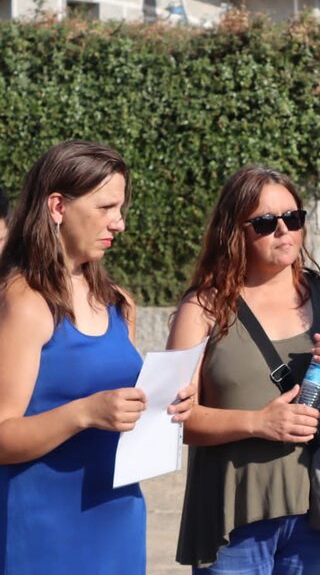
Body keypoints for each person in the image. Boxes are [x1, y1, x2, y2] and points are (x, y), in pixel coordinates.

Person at [169, 166, 320, 573]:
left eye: (293, 218)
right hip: (234, 519)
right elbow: (175, 422)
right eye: (266, 223)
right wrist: (257, 423)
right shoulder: (203, 309)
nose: (283, 230)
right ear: (234, 232)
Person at [0, 140, 195, 573]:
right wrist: (85, 413)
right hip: (42, 533)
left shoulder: (119, 302)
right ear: (57, 206)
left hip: (119, 519)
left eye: (120, 208)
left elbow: (122, 411)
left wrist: (166, 405)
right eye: (106, 207)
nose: (119, 223)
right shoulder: (24, 303)